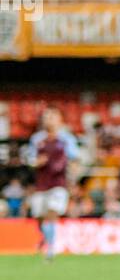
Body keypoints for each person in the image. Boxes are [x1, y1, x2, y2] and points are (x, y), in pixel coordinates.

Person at [26, 107, 79, 259]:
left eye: (52, 117)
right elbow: (30, 159)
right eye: (47, 117)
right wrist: (36, 162)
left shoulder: (67, 139)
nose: (49, 120)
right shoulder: (36, 139)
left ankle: (51, 248)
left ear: (60, 120)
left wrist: (73, 177)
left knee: (52, 212)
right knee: (38, 215)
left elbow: (74, 158)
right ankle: (46, 237)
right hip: (41, 183)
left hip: (59, 183)